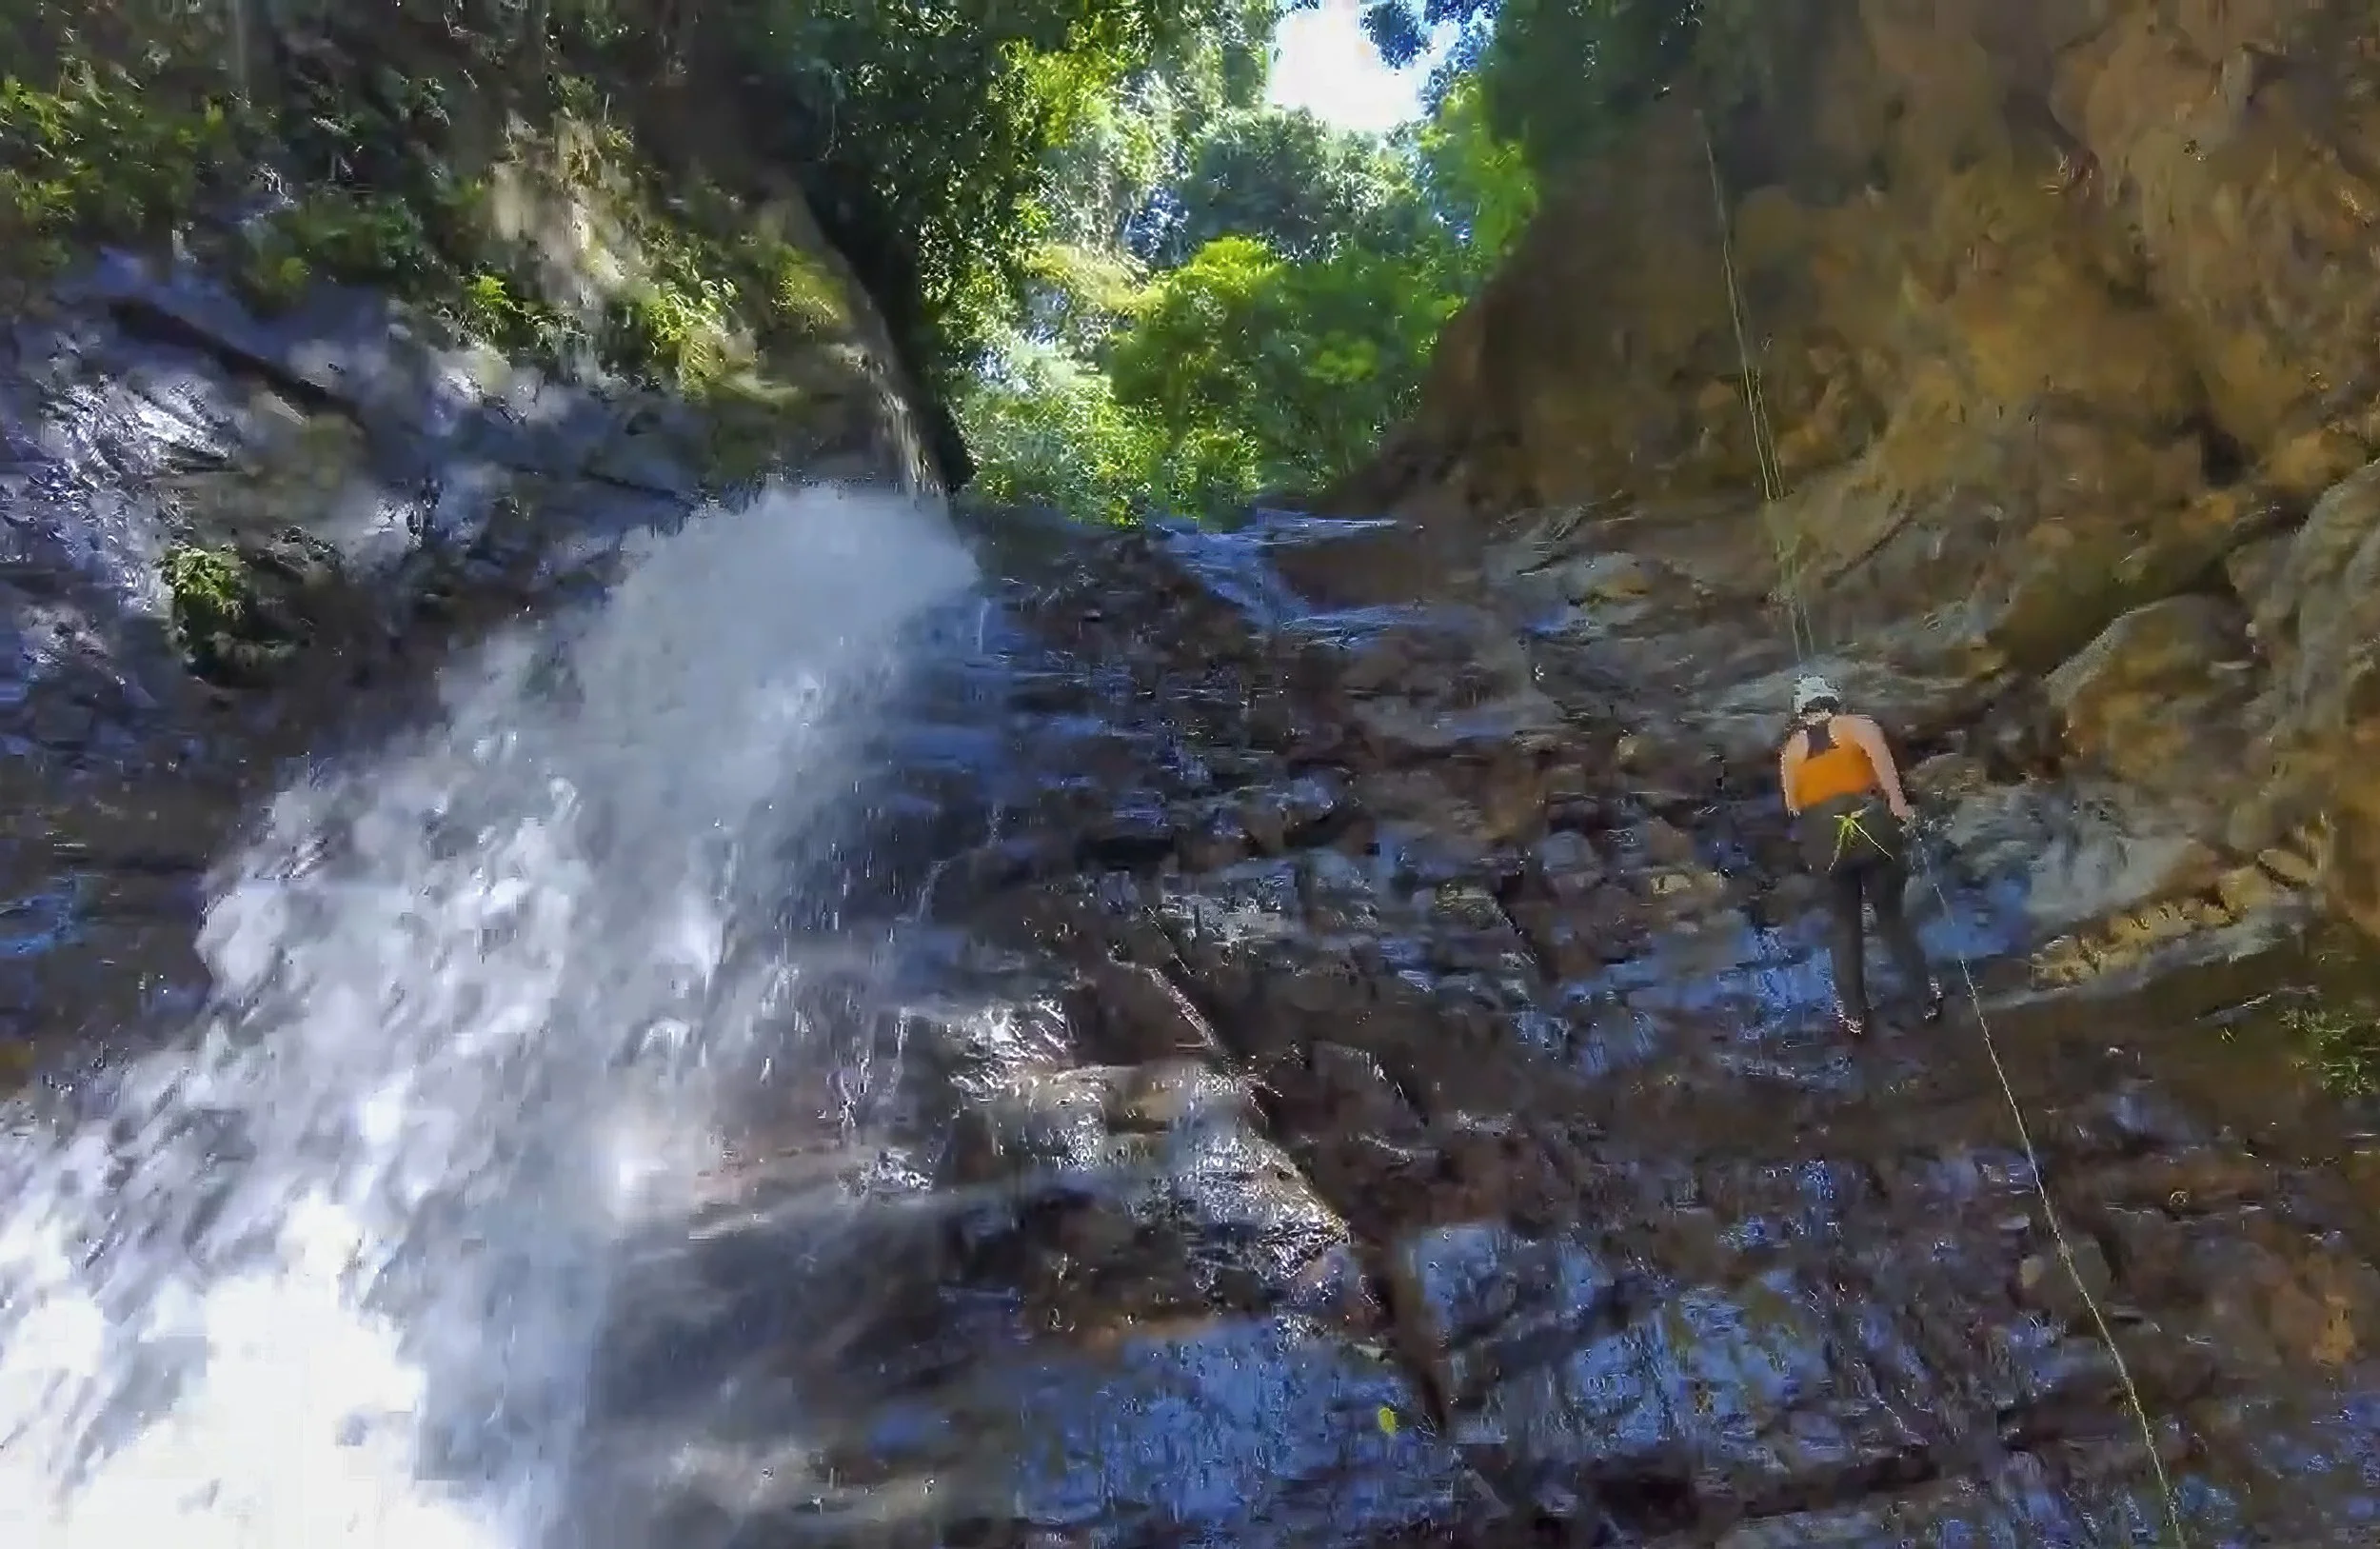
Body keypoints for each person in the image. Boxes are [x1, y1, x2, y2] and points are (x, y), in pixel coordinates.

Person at [1776, 674, 1945, 1036]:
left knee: (1844, 925)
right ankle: (1925, 1000)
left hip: (1824, 842)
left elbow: (1794, 809)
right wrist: (1902, 810)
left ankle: (1854, 1013)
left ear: (1801, 712)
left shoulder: (1790, 752)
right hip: (1873, 830)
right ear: (1833, 702)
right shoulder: (1858, 726)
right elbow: (1888, 776)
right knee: (1891, 918)